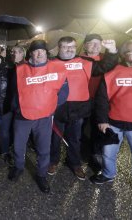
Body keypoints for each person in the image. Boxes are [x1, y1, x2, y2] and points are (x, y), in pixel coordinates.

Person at [48, 36, 118, 180]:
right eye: (65, 47)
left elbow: (105, 66)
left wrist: (111, 51)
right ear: (59, 48)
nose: (70, 49)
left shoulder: (85, 62)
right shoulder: (50, 63)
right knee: (55, 137)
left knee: (75, 138)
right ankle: (52, 161)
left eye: (72, 46)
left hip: (78, 109)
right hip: (57, 108)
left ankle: (74, 163)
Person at [91, 39, 132, 203]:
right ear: (124, 54)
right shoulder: (112, 71)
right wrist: (102, 120)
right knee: (108, 153)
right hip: (113, 123)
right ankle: (108, 174)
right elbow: (102, 98)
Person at [8, 40, 68, 194]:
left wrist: (51, 107)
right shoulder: (20, 69)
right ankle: (19, 167)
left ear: (46, 53)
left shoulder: (57, 68)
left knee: (43, 148)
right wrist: (17, 108)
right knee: (18, 146)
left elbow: (63, 91)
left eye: (42, 51)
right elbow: (13, 92)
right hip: (23, 117)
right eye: (36, 51)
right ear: (31, 54)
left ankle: (41, 174)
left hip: (44, 117)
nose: (39, 53)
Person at [79, 34, 105, 171]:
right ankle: (76, 154)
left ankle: (95, 157)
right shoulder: (78, 59)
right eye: (91, 43)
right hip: (82, 100)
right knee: (79, 129)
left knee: (98, 130)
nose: (95, 46)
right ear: (84, 45)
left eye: (98, 43)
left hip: (100, 102)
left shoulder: (108, 60)